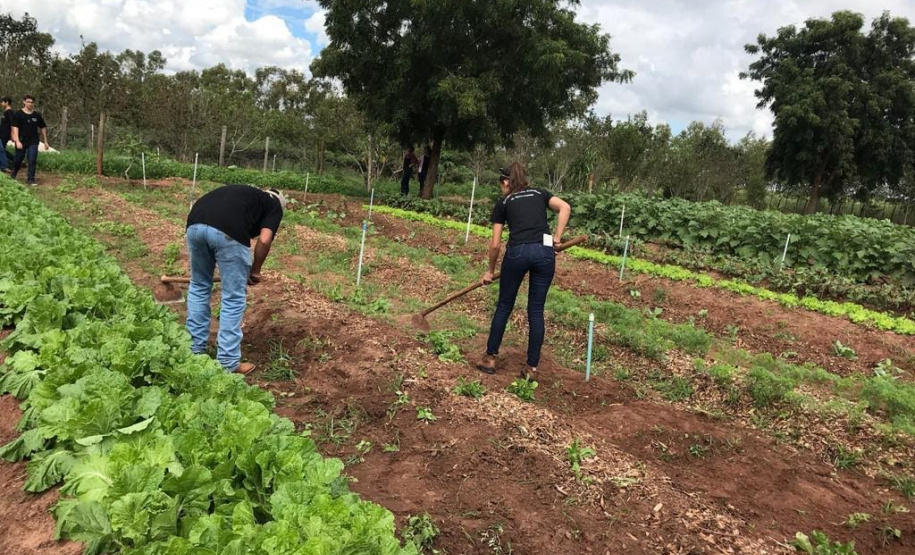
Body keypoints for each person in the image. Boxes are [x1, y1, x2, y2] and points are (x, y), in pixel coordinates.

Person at [477, 162, 571, 377]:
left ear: (507, 182)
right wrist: (556, 239)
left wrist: (490, 271)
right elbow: (565, 207)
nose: (501, 187)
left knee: (504, 307)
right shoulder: (540, 193)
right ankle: (531, 368)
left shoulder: (504, 202)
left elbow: (495, 245)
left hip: (518, 252)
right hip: (544, 253)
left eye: (502, 183)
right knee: (536, 311)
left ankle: (490, 358)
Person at [185, 184, 286, 374]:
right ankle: (228, 362)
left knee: (199, 286)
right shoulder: (274, 205)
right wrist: (255, 270)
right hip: (228, 231)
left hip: (194, 224)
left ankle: (193, 351)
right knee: (233, 297)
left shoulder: (247, 195)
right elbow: (264, 240)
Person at [10, 95, 49, 186]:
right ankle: (13, 175)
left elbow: (43, 127)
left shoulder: (36, 115)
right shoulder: (18, 114)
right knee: (18, 159)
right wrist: (17, 141)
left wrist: (45, 141)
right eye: (28, 101)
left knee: (32, 159)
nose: (30, 104)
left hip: (33, 141)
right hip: (21, 140)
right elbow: (15, 128)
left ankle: (31, 179)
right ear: (24, 102)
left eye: (32, 102)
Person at [0, 96, 12, 174]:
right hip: (2, 134)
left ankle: (4, 166)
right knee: (2, 149)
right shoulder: (4, 112)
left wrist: (12, 135)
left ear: (6, 102)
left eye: (2, 102)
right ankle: (16, 160)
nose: (1, 104)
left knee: (1, 149)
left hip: (5, 135)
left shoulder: (10, 112)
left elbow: (13, 124)